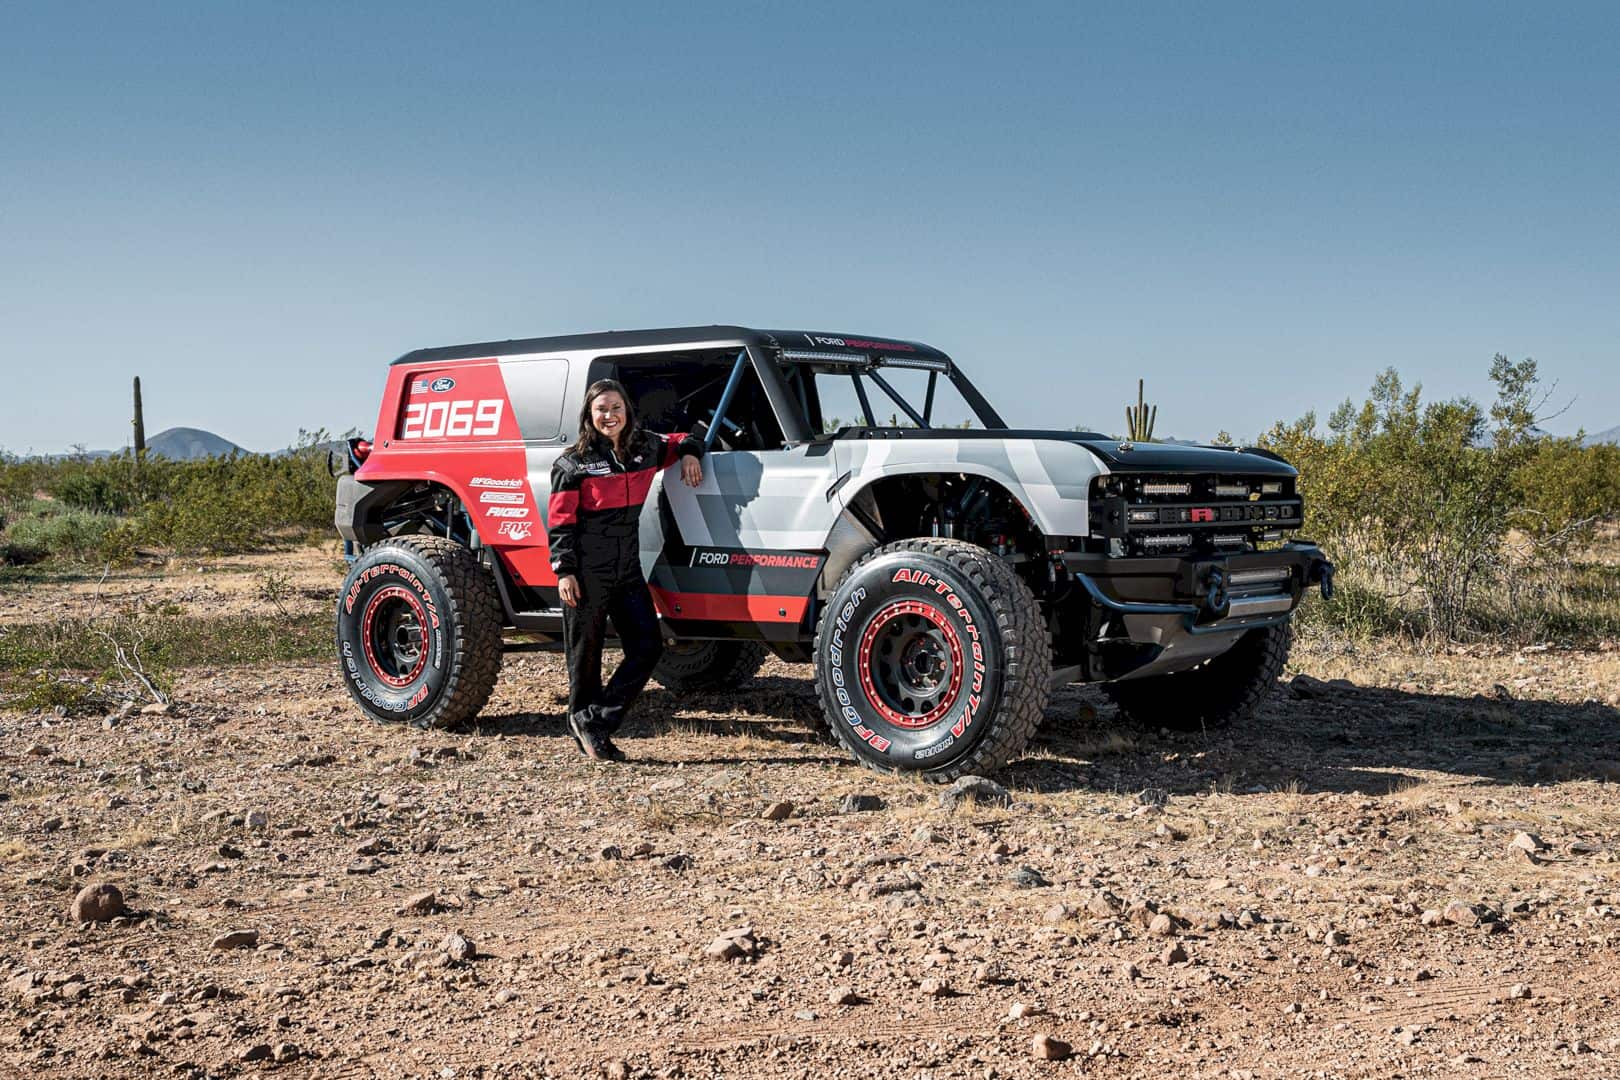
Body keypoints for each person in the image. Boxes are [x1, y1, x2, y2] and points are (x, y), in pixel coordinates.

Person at [546, 379, 704, 760]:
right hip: (585, 570)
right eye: (601, 409)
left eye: (616, 407)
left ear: (627, 411)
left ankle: (595, 721)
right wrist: (564, 570)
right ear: (589, 415)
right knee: (586, 656)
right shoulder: (573, 463)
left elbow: (687, 436)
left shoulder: (645, 447)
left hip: (628, 567)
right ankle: (586, 723)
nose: (609, 415)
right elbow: (560, 521)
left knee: (648, 647)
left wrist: (690, 454)